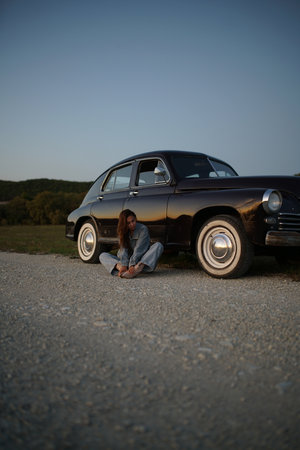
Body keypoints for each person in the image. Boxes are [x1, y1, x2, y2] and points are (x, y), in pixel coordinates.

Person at [99, 209, 164, 279]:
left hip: (140, 263)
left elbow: (139, 249)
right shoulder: (122, 231)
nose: (132, 224)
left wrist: (132, 264)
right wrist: (124, 265)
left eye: (133, 221)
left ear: (135, 218)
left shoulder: (143, 229)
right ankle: (121, 269)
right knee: (102, 255)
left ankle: (135, 271)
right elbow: (123, 250)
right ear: (124, 224)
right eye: (128, 223)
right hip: (126, 263)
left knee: (158, 245)